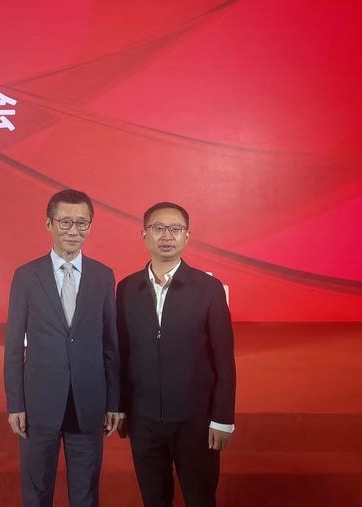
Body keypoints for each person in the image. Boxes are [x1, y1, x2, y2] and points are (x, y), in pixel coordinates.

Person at [4, 189, 120, 507]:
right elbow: (13, 347)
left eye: (82, 223)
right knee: (37, 493)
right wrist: (15, 404)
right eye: (65, 222)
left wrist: (113, 401)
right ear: (49, 224)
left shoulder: (103, 276)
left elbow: (111, 345)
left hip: (88, 403)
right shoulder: (26, 276)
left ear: (90, 226)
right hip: (39, 404)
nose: (73, 230)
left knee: (86, 494)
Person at [116, 202, 236, 507]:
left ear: (187, 237)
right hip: (143, 420)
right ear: (144, 235)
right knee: (154, 500)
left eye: (175, 229)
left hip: (195, 421)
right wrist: (119, 407)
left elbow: (224, 359)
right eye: (158, 228)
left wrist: (223, 419)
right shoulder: (126, 288)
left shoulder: (209, 289)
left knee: (200, 499)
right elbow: (121, 354)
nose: (166, 236)